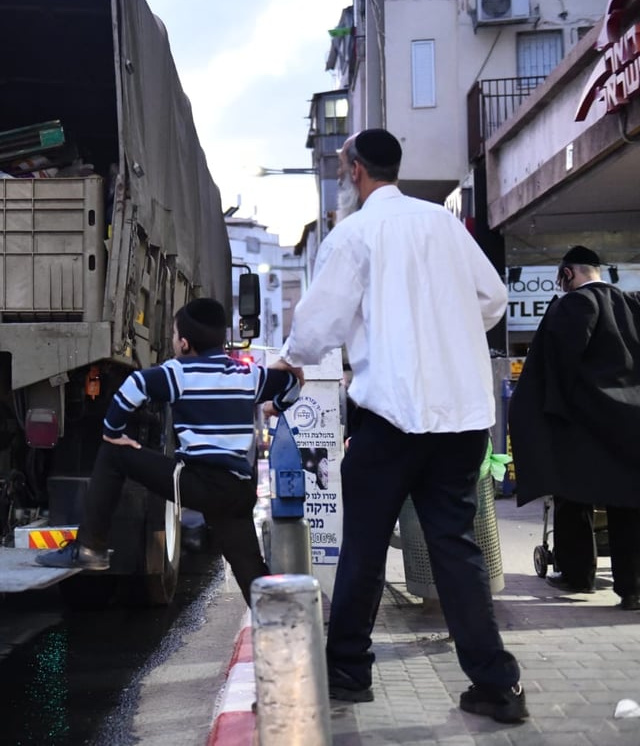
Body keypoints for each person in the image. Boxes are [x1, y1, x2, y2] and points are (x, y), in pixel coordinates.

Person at [272, 129, 527, 724]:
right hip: (460, 418)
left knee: (363, 545)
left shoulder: (355, 233)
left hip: (390, 417)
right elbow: (492, 299)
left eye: (342, 166)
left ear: (357, 170)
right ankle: (497, 686)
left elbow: (321, 323)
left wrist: (289, 356)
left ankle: (348, 672)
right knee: (456, 551)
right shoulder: (441, 224)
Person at [34, 298, 300, 608]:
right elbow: (292, 385)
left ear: (184, 343)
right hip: (238, 490)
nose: (173, 341)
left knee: (113, 455)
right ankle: (287, 634)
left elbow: (133, 386)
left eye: (174, 335)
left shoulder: (178, 372)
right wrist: (273, 406)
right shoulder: (248, 376)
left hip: (198, 483)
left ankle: (90, 548)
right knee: (253, 576)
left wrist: (112, 432)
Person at [509, 246, 640, 609]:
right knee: (629, 503)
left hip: (585, 424)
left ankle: (577, 574)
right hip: (631, 421)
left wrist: (549, 413)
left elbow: (561, 366)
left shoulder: (572, 306)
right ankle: (633, 589)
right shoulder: (632, 303)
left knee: (572, 495)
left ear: (568, 274)